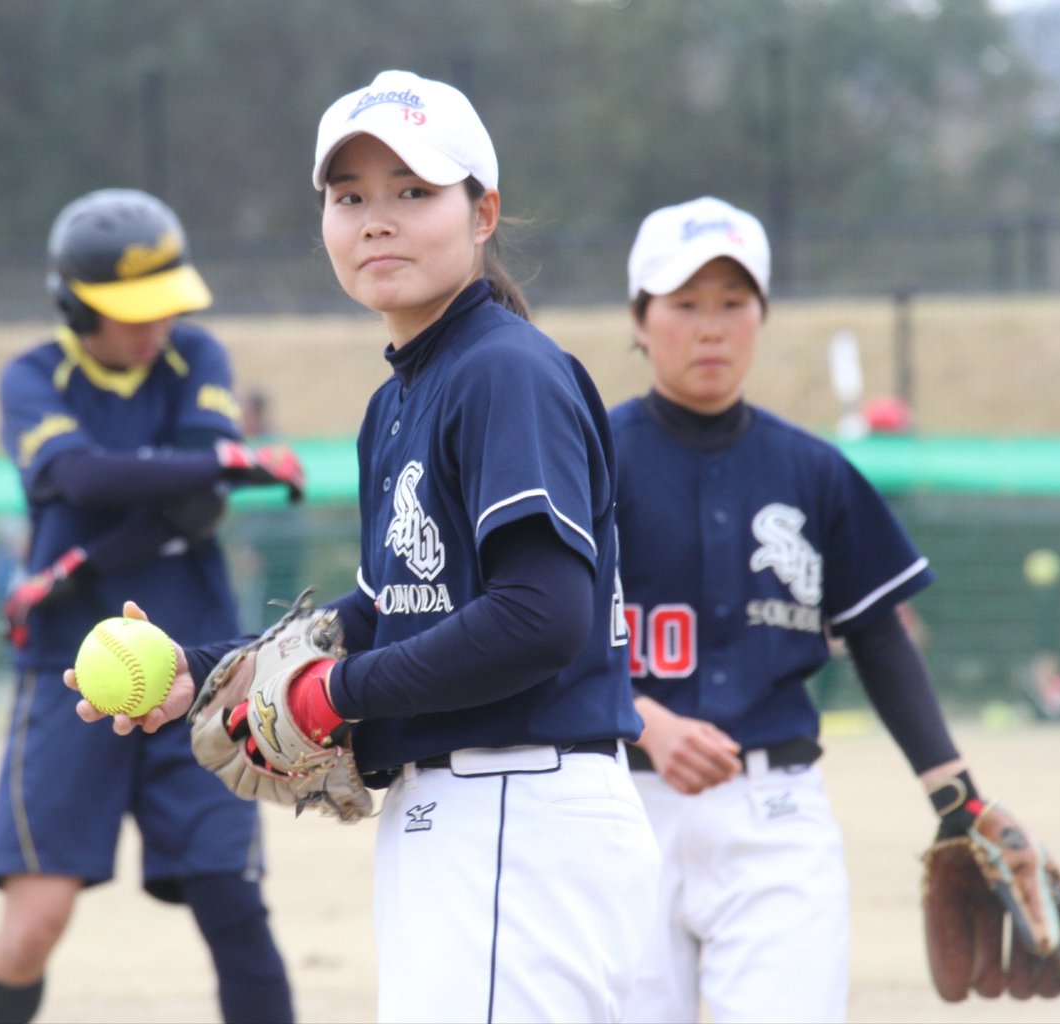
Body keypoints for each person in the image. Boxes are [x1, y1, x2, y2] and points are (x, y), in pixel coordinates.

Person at [70, 71, 661, 1024]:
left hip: (517, 802)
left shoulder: (505, 372)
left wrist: (332, 696)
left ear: (484, 213)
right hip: (462, 812)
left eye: (414, 192)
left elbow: (541, 616)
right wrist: (205, 670)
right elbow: (382, 613)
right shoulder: (399, 399)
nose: (377, 219)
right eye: (350, 198)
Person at [609, 196, 1004, 1023]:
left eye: (732, 304)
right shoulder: (590, 460)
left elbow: (878, 637)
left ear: (762, 316)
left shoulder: (813, 471)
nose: (711, 327)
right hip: (619, 808)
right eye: (684, 305)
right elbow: (547, 627)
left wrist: (955, 796)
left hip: (775, 813)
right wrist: (642, 720)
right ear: (640, 319)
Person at [0, 188, 305, 1024]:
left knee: (233, 907)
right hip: (64, 671)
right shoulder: (32, 376)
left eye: (164, 305)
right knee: (33, 923)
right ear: (73, 303)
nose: (153, 327)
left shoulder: (196, 355)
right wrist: (222, 459)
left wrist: (85, 550)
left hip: (200, 664)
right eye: (132, 312)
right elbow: (80, 477)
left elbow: (193, 505)